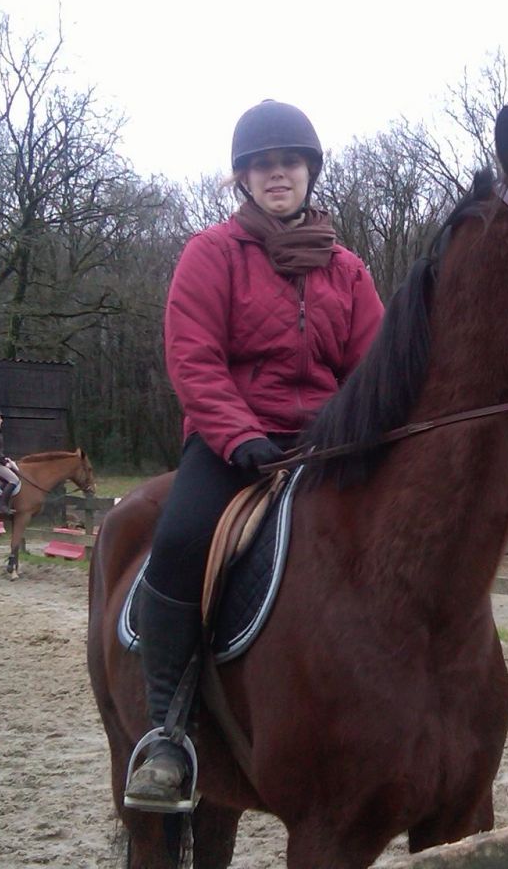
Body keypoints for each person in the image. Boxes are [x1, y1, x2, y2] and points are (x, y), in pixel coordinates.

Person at [125, 100, 385, 809]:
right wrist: (238, 435)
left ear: (309, 172)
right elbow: (193, 358)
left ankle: (463, 683)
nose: (278, 175)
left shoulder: (348, 271)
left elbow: (374, 370)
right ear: (242, 177)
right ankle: (167, 733)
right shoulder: (212, 254)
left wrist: (362, 432)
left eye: (289, 163)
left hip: (328, 443)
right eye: (263, 165)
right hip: (232, 443)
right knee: (180, 540)